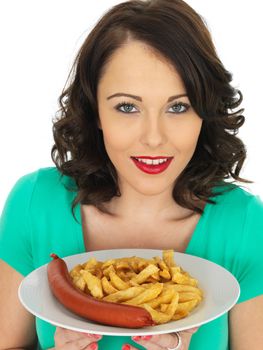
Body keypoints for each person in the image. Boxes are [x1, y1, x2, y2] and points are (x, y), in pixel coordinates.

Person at [1, 0, 263, 349]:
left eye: (178, 106)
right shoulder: (35, 203)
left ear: (205, 111)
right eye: (127, 107)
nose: (154, 138)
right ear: (95, 110)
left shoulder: (245, 225)